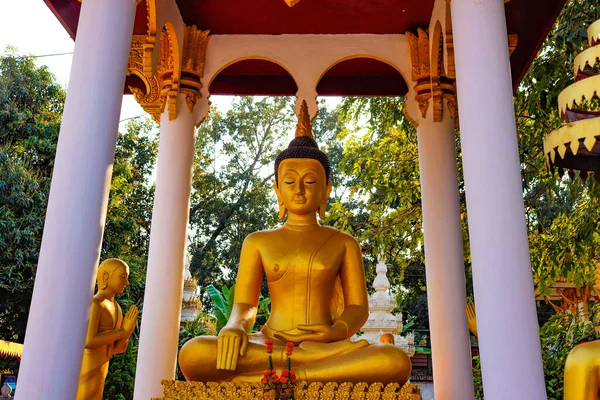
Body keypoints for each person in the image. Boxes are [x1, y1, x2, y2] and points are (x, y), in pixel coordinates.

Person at [179, 101, 411, 384]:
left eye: (310, 182)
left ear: (326, 189)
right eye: (290, 182)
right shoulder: (258, 242)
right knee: (193, 353)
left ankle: (287, 375)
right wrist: (235, 327)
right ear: (278, 189)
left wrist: (336, 332)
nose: (299, 190)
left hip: (327, 347)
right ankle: (293, 370)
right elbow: (244, 304)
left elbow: (357, 309)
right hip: (269, 345)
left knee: (394, 361)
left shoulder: (344, 243)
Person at [76, 258, 138, 400]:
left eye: (126, 278)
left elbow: (116, 349)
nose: (126, 282)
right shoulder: (96, 304)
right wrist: (121, 332)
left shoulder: (117, 308)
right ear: (105, 276)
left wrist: (127, 333)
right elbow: (89, 341)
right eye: (123, 277)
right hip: (86, 367)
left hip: (102, 368)